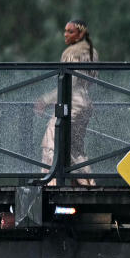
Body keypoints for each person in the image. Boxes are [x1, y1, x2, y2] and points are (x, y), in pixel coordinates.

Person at [36, 18, 99, 185]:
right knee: (75, 148)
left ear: (80, 33)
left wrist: (46, 99)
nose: (65, 34)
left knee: (52, 143)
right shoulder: (92, 52)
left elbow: (69, 82)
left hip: (72, 102)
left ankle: (49, 185)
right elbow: (91, 80)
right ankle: (88, 185)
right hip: (85, 102)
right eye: (65, 30)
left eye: (70, 31)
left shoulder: (72, 53)